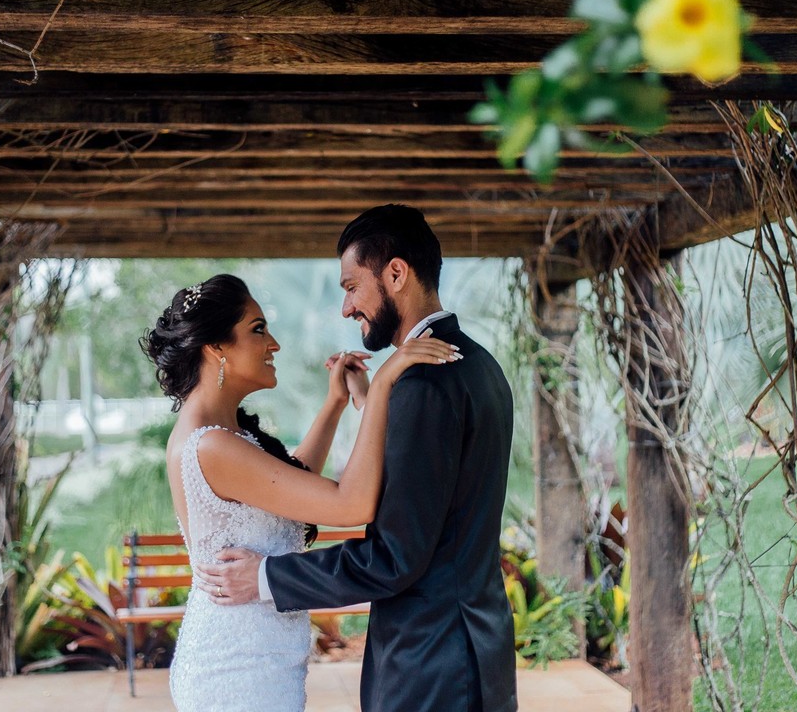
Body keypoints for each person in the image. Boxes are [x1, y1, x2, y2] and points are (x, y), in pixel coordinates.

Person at [196, 205, 518, 712]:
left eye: (351, 286)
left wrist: (264, 577)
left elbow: (394, 558)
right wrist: (370, 401)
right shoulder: (478, 364)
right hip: (474, 650)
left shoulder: (423, 383)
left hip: (431, 666)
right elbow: (435, 479)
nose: (347, 308)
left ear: (395, 273)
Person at [140, 273, 459, 712]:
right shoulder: (213, 446)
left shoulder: (216, 435)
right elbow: (351, 504)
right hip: (240, 674)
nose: (274, 344)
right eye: (257, 330)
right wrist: (383, 385)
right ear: (215, 347)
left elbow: (291, 484)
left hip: (254, 660)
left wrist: (334, 404)